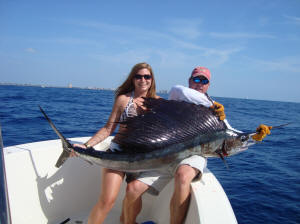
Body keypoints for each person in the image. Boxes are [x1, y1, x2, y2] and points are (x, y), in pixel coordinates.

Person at [121, 66, 271, 224]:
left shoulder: (216, 111)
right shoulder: (182, 95)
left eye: (204, 81)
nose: (200, 83)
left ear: (208, 85)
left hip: (195, 155)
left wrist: (256, 136)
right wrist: (209, 103)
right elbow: (177, 89)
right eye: (196, 79)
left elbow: (232, 134)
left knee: (183, 176)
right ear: (190, 81)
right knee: (132, 189)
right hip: (167, 153)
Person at [74, 62, 160, 224]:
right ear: (133, 79)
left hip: (142, 159)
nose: (143, 80)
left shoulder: (159, 103)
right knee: (107, 201)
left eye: (147, 76)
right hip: (117, 154)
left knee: (134, 194)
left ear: (152, 79)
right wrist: (86, 146)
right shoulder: (123, 99)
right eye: (138, 76)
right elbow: (108, 129)